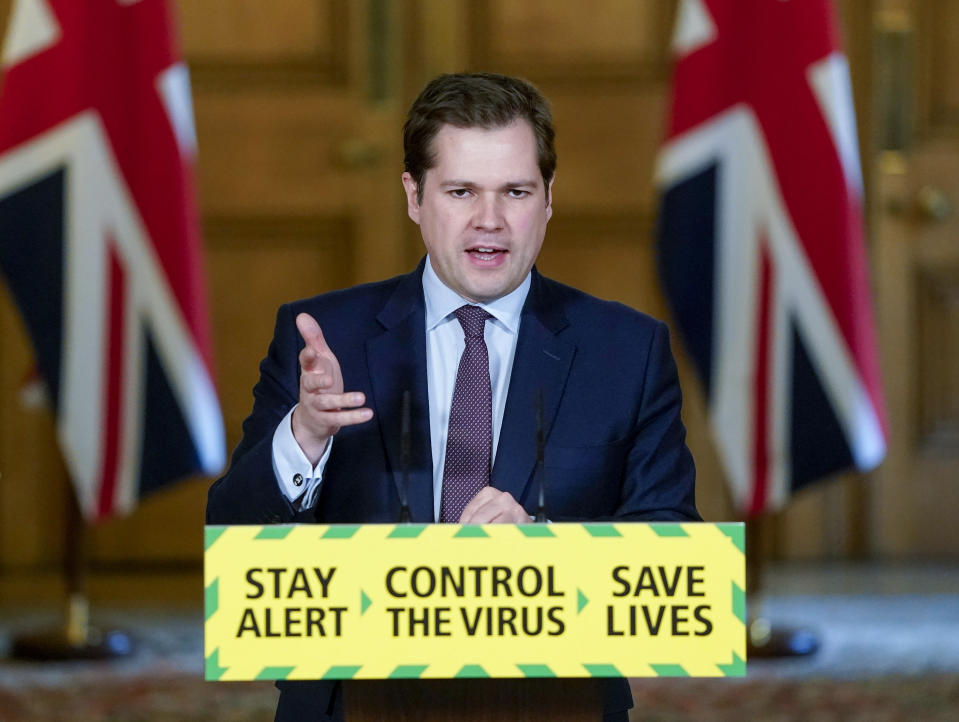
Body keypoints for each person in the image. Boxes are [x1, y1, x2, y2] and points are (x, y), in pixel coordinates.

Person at [207, 72, 699, 722]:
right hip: (352, 700)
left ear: (548, 199)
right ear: (414, 196)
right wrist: (304, 437)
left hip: (557, 699)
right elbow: (232, 543)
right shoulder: (327, 340)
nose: (488, 221)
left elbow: (675, 564)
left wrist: (545, 552)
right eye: (460, 191)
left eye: (515, 192)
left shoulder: (627, 350)